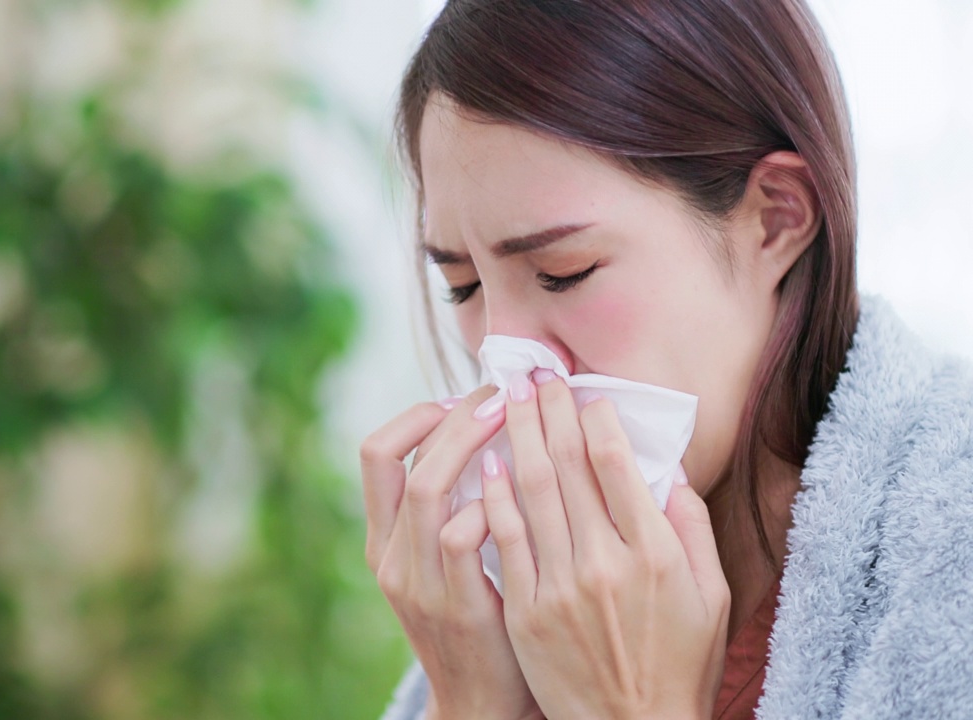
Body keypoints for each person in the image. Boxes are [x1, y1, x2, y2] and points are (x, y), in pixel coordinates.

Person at [359, 1, 973, 718]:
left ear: (777, 219)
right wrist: (470, 703)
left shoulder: (947, 565)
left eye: (566, 271)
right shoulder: (519, 602)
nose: (510, 360)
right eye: (462, 286)